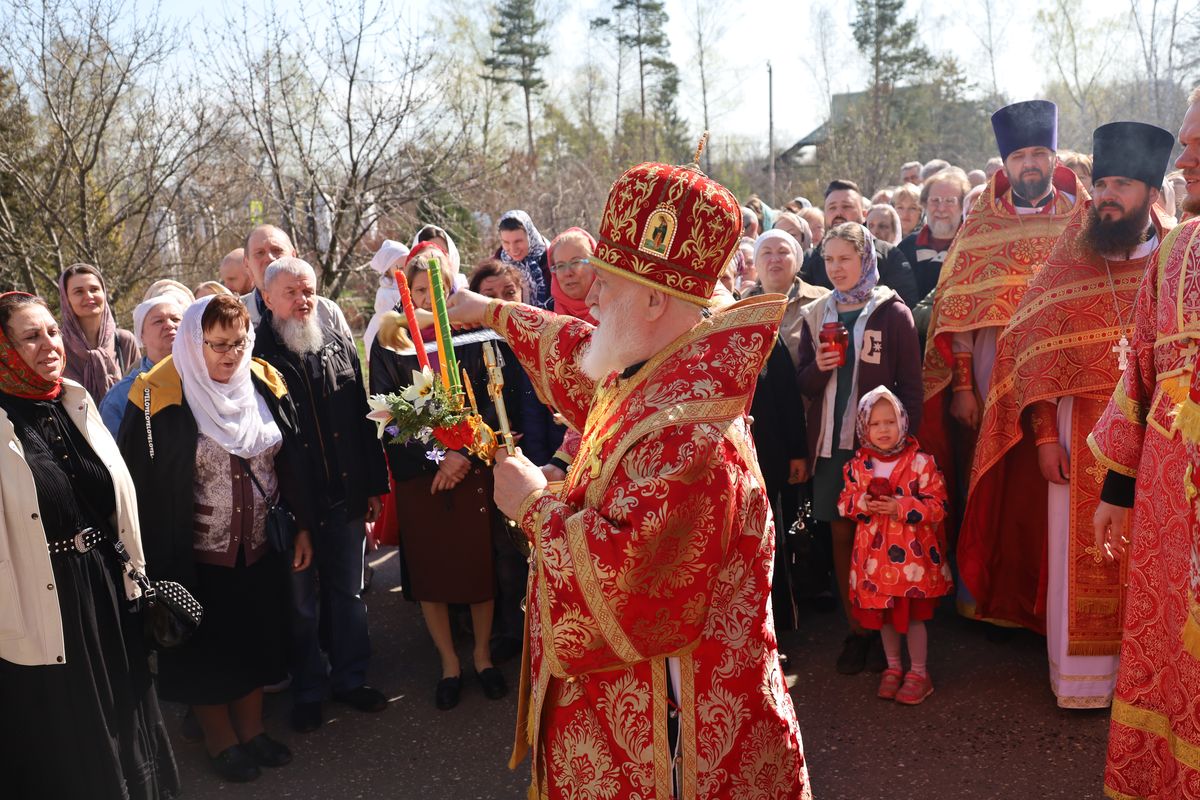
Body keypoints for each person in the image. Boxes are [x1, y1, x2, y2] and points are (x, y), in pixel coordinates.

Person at [448, 155, 810, 799]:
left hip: (675, 742)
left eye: (604, 282)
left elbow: (630, 591)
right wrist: (488, 311)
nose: (589, 296)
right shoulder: (663, 372)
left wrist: (533, 507)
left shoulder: (691, 437)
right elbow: (574, 357)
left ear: (651, 296)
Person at [959, 121, 1174, 710]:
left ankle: (1156, 688)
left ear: (1152, 194)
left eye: (1122, 184)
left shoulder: (1179, 263)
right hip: (1080, 441)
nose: (1106, 194)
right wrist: (1045, 438)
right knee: (1084, 561)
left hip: (1164, 441)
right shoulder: (1071, 258)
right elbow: (1026, 351)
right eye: (1101, 182)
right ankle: (1086, 688)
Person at [118, 294, 314, 782]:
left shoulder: (264, 382)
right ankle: (220, 741)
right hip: (192, 557)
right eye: (217, 344)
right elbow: (136, 480)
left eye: (239, 341)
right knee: (206, 651)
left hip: (261, 547)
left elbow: (292, 461)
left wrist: (304, 525)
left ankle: (252, 732)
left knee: (256, 641)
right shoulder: (154, 394)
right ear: (191, 341)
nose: (230, 354)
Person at [0, 291, 179, 799]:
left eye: (52, 332)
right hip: (45, 600)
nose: (49, 345)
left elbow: (116, 498)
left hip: (106, 588)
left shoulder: (73, 400)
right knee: (73, 733)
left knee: (129, 714)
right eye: (30, 337)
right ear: (4, 349)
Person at [920, 101, 1086, 620]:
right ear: (1005, 164)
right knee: (993, 485)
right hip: (993, 374)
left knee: (1050, 490)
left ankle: (1050, 609)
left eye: (1039, 153)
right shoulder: (980, 226)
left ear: (1053, 156)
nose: (1030, 164)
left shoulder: (1080, 219)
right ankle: (991, 601)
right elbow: (959, 315)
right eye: (1019, 156)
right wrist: (964, 387)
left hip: (1064, 374)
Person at [1089, 92, 1200, 798]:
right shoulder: (1181, 250)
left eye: (1199, 147)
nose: (1185, 160)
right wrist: (1117, 491)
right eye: (1186, 144)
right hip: (1168, 508)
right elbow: (1140, 371)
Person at [370, 243, 518, 709]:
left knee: (477, 567)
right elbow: (388, 415)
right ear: (407, 293)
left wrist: (468, 456)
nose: (430, 299)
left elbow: (495, 403)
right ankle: (448, 662)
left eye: (440, 288)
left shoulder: (474, 329)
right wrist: (439, 456)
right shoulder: (391, 339)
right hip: (423, 476)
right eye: (420, 290)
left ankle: (481, 657)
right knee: (433, 571)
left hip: (473, 469)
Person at [253, 256, 391, 733]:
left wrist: (375, 484)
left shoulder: (335, 342)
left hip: (347, 493)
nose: (302, 300)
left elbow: (362, 415)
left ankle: (351, 679)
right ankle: (309, 690)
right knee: (301, 605)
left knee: (348, 593)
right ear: (267, 297)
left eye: (308, 290)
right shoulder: (255, 355)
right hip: (294, 506)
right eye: (290, 292)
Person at [797, 222, 923, 675]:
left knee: (881, 533)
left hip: (879, 447)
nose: (837, 269)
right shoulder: (818, 313)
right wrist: (820, 366)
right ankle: (857, 630)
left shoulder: (892, 313)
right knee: (841, 533)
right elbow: (804, 385)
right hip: (833, 444)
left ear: (865, 257)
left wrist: (904, 449)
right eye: (829, 260)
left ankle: (887, 631)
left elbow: (911, 386)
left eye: (845, 259)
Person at [839, 386, 951, 705]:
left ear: (902, 422)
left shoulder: (921, 463)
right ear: (864, 427)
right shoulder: (857, 467)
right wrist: (863, 502)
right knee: (883, 617)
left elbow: (939, 506)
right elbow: (844, 504)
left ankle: (918, 672)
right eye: (875, 424)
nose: (883, 430)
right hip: (874, 565)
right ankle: (893, 667)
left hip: (912, 565)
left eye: (890, 422)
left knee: (914, 617)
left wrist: (900, 507)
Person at [744, 228, 829, 632]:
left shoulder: (814, 304)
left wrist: (797, 449)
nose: (775, 260)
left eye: (783, 252)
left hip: (793, 436)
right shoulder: (737, 311)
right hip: (749, 448)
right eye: (766, 253)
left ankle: (794, 611)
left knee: (789, 528)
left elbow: (788, 393)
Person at [801, 179, 919, 307]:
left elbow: (906, 306)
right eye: (832, 207)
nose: (838, 213)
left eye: (846, 206)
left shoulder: (889, 256)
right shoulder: (809, 260)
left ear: (864, 214)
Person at [899, 167, 972, 349]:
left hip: (957, 347)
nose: (941, 208)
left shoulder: (972, 247)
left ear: (962, 205)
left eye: (949, 201)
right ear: (924, 204)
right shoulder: (906, 247)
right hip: (911, 346)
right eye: (935, 201)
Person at [239, 224, 353, 338]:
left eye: (277, 250)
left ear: (293, 256)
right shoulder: (233, 314)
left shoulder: (328, 313)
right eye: (259, 253)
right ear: (247, 264)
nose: (269, 258)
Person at [99, 294, 185, 436]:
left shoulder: (205, 379)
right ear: (141, 336)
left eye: (176, 319)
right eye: (158, 321)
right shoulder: (121, 395)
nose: (169, 325)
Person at [57, 263, 139, 401]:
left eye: (94, 289)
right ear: (67, 299)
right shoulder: (57, 346)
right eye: (79, 291)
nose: (89, 296)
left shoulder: (124, 341)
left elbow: (142, 392)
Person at [362, 238, 411, 359]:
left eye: (407, 266)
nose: (405, 271)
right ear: (388, 269)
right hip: (385, 332)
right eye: (401, 268)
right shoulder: (386, 292)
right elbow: (388, 316)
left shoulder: (408, 285)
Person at [495, 210, 552, 307]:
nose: (513, 249)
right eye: (506, 242)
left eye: (518, 241)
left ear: (530, 236)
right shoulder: (497, 263)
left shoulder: (550, 259)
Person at [547, 227, 598, 324]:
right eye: (560, 266)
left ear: (594, 263)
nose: (568, 273)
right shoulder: (546, 319)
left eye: (575, 262)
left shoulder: (616, 310)